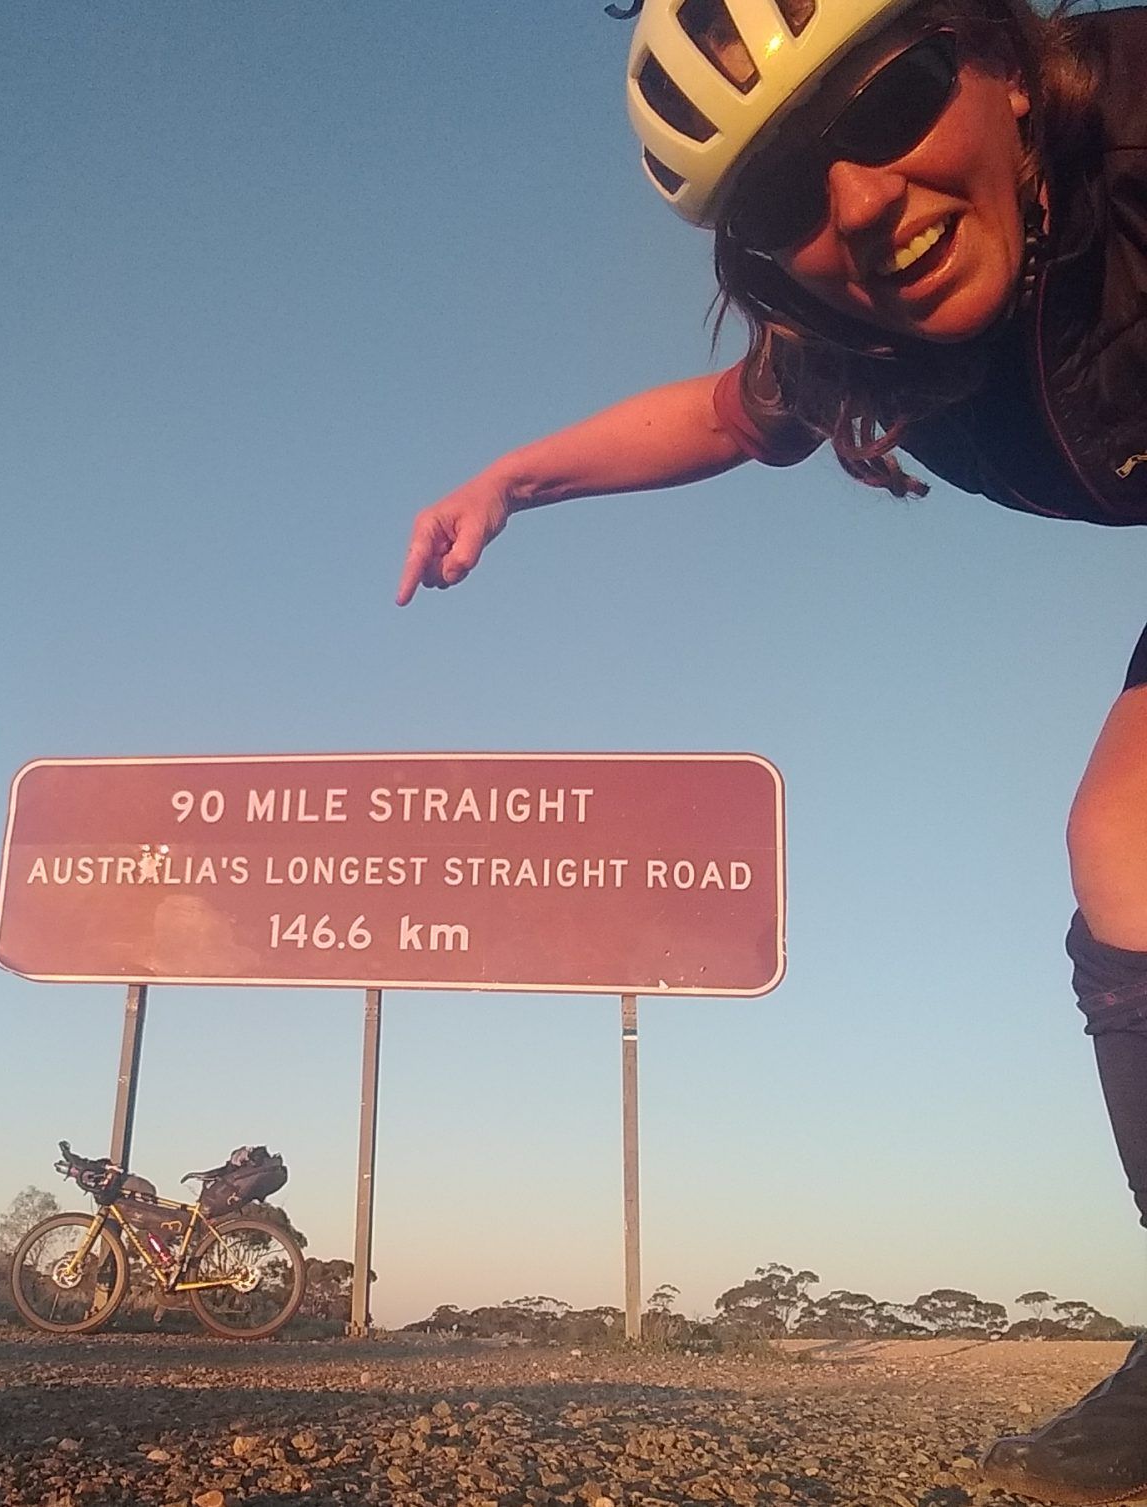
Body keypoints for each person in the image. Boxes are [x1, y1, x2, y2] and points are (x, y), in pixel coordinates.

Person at [397, 0, 1147, 1499]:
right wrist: (511, 479)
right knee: (1123, 849)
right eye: (792, 189)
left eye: (894, 101)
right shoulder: (852, 346)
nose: (862, 203)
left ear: (1002, 66)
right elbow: (721, 420)